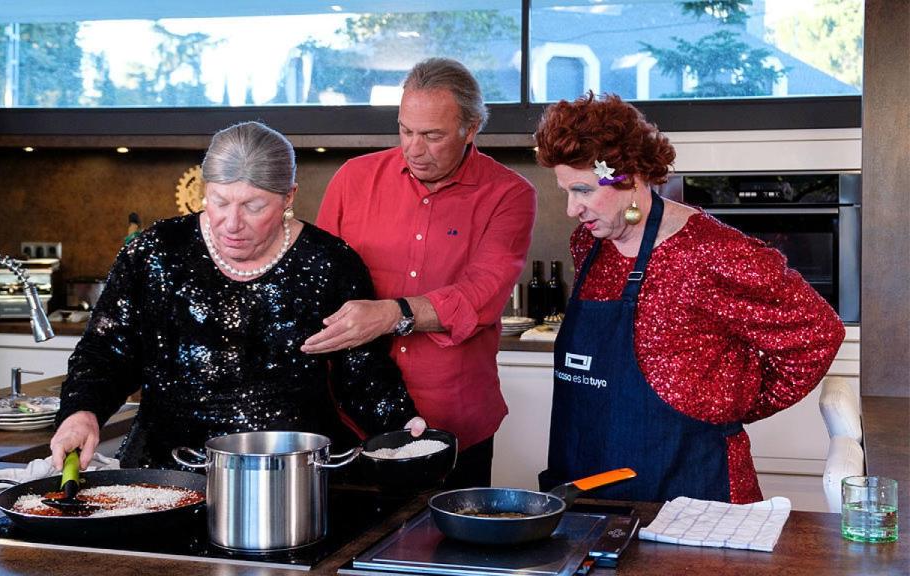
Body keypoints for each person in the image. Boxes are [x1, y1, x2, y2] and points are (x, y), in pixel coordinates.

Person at [51, 121, 425, 470]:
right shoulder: (155, 252)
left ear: (288, 197)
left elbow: (361, 373)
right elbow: (106, 352)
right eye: (219, 201)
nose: (232, 223)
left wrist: (405, 428)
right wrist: (82, 411)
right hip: (165, 471)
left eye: (253, 206)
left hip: (290, 472)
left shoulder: (330, 262)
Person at [533, 92, 845, 503]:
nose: (573, 209)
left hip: (692, 481)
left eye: (584, 190)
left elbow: (818, 333)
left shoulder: (710, 252)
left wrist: (734, 402)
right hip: (589, 476)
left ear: (629, 176)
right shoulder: (589, 245)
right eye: (566, 192)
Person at [302, 58, 537, 488]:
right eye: (406, 130)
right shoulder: (353, 180)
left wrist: (392, 314)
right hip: (352, 422)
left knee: (452, 550)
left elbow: (481, 296)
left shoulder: (509, 195)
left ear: (470, 130)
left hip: (454, 422)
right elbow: (317, 280)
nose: (413, 148)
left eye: (432, 136)